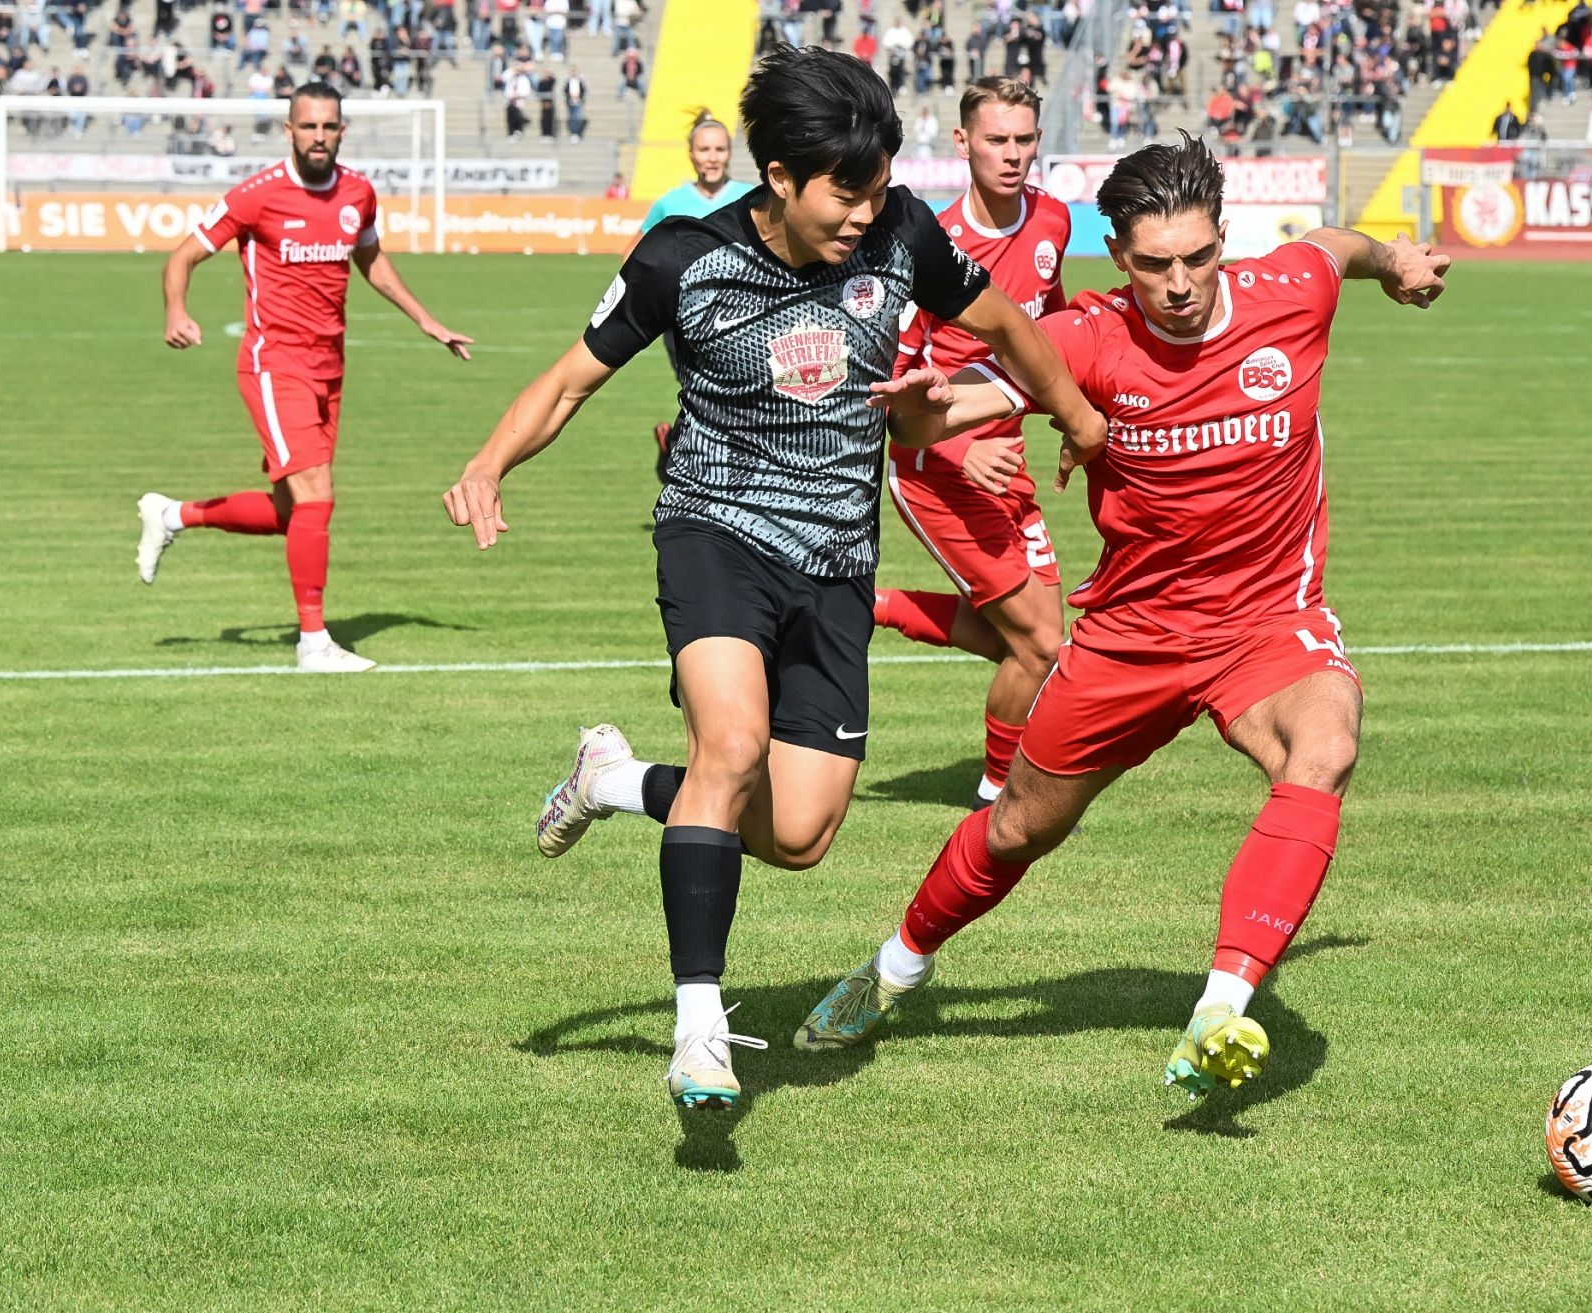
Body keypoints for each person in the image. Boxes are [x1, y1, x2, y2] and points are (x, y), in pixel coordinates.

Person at [441, 45, 1104, 1111]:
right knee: (732, 746)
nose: (865, 213)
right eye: (846, 193)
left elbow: (1008, 326)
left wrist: (1076, 417)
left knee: (797, 834)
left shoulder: (903, 233)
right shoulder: (684, 257)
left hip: (838, 562)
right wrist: (486, 465)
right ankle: (699, 1029)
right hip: (714, 533)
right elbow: (568, 382)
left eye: (879, 188)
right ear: (781, 177)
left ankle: (613, 779)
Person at [793, 136, 1451, 1104]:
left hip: (1268, 622)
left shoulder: (1291, 291)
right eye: (1153, 264)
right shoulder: (1082, 339)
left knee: (1325, 746)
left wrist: (1393, 262)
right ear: (1116, 254)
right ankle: (894, 966)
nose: (1179, 284)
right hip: (1132, 637)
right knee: (1017, 828)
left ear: (1224, 238)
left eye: (1197, 257)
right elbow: (948, 411)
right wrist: (921, 412)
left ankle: (1220, 1009)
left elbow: (1335, 246)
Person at [139, 84, 473, 673]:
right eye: (308, 126)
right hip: (274, 365)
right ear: (288, 131)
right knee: (318, 494)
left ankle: (172, 515)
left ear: (342, 131)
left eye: (328, 126)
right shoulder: (256, 195)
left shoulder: (357, 192)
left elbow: (371, 259)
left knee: (293, 512)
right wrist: (176, 311)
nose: (319, 136)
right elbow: (182, 256)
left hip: (329, 368)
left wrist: (426, 320)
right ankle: (314, 643)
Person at [874, 76, 1071, 813]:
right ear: (962, 143)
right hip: (933, 469)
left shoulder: (1052, 220)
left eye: (1024, 139)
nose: (1012, 154)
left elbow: (1050, 329)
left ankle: (874, 605)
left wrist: (1070, 412)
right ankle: (997, 794)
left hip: (1007, 465)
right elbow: (891, 397)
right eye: (996, 140)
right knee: (1041, 644)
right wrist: (961, 452)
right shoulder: (934, 247)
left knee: (1025, 643)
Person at [635, 110, 758, 482]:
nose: (712, 157)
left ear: (730, 152)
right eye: (705, 149)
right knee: (706, 393)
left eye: (719, 149)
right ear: (691, 153)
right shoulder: (670, 204)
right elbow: (636, 256)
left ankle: (677, 449)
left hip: (743, 316)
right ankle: (702, 470)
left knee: (743, 397)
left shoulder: (750, 198)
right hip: (683, 321)